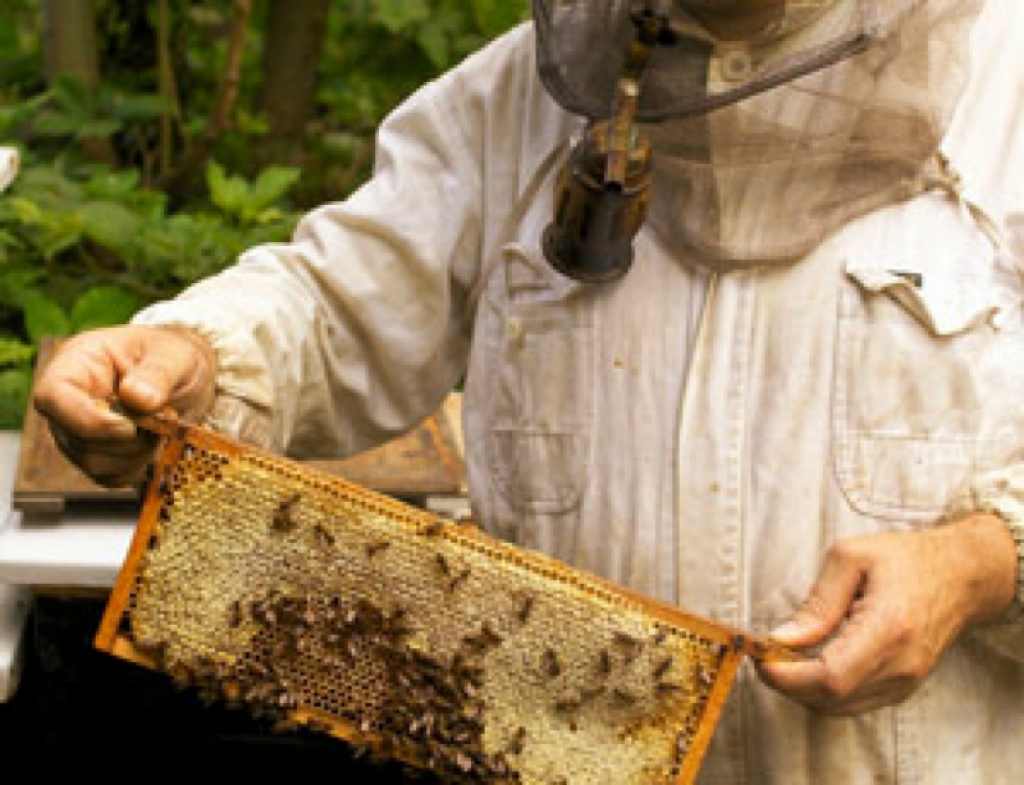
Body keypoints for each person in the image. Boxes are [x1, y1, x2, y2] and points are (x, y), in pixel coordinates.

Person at [31, 1, 1024, 782]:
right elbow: (334, 303)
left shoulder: (1003, 87)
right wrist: (186, 353)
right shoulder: (519, 99)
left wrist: (984, 559)